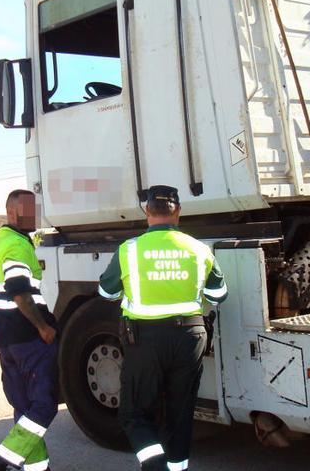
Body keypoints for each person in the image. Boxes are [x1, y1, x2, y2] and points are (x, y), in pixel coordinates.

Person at [97, 185, 227, 471]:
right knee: (180, 417)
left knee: (133, 415)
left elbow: (106, 293)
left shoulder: (129, 250)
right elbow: (219, 295)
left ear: (146, 212)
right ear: (178, 212)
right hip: (190, 338)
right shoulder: (199, 249)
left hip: (145, 340)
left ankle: (155, 466)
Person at [0, 189, 58, 471]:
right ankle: (0, 460)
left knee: (24, 406)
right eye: (29, 209)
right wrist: (42, 326)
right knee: (44, 405)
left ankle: (37, 467)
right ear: (14, 212)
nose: (35, 214)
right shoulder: (18, 246)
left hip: (7, 342)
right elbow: (19, 290)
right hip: (29, 339)